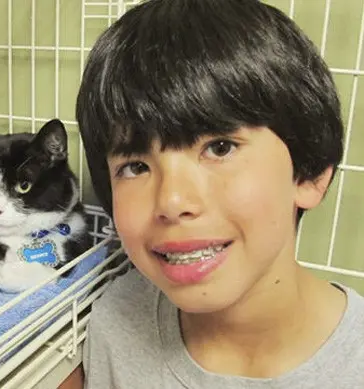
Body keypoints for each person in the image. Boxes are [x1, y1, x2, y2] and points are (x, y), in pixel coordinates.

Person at [60, 0, 364, 388]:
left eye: (220, 148)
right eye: (136, 166)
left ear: (309, 173)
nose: (171, 201)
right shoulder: (116, 321)